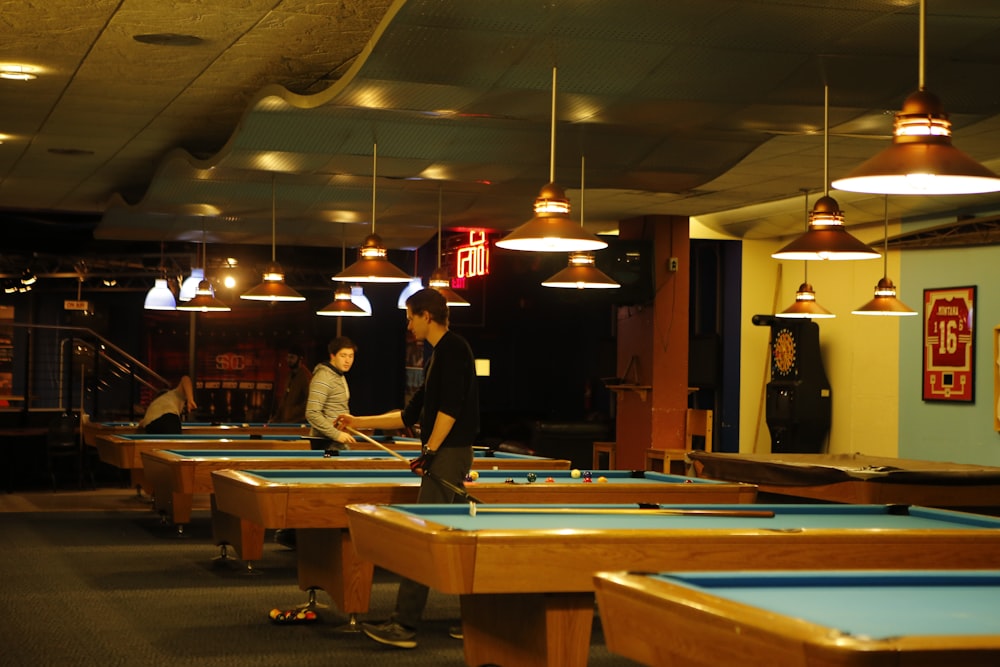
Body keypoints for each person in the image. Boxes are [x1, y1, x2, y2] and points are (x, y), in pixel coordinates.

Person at [337, 288, 479, 650]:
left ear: (426, 316)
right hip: (443, 452)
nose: (407, 323)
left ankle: (405, 626)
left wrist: (430, 451)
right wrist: (358, 421)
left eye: (410, 316)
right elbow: (408, 414)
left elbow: (450, 409)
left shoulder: (453, 349)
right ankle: (478, 621)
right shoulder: (437, 357)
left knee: (422, 536)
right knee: (454, 540)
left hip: (449, 453)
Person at [305, 336, 358, 450]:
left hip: (335, 441)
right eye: (343, 355)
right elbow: (312, 413)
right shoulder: (323, 377)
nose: (347, 360)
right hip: (326, 443)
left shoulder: (338, 375)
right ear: (332, 356)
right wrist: (336, 434)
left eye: (351, 356)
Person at [270, 344, 311, 423]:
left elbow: (310, 401)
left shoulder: (305, 376)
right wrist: (275, 418)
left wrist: (294, 412)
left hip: (299, 423)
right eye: (288, 357)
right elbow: (284, 399)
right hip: (287, 421)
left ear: (300, 359)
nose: (288, 360)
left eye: (292, 357)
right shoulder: (290, 375)